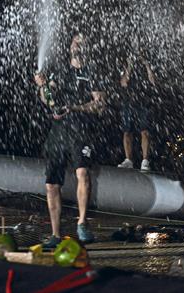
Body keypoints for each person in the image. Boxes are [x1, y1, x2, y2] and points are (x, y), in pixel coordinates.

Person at [34, 33, 107, 248]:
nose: (77, 44)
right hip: (58, 131)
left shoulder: (93, 71)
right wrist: (42, 86)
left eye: (82, 41)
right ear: (70, 46)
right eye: (75, 40)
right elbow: (48, 100)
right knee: (51, 184)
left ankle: (82, 223)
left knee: (82, 172)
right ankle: (56, 235)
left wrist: (74, 108)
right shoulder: (60, 69)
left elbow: (100, 104)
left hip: (81, 129)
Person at [117, 52, 157, 171]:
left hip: (144, 102)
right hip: (128, 102)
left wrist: (147, 65)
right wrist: (129, 65)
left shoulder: (148, 65)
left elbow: (153, 81)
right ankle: (128, 160)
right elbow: (124, 82)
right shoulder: (126, 66)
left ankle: (145, 161)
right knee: (127, 132)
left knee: (145, 132)